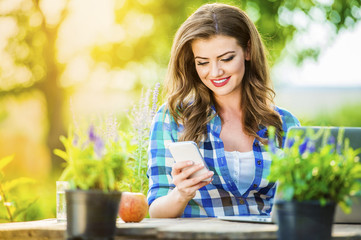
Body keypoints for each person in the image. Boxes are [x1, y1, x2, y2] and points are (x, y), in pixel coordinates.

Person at [146, 3, 300, 218]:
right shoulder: (173, 117)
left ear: (248, 50)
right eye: (203, 62)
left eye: (226, 58)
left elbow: (303, 202)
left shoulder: (284, 123)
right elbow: (156, 211)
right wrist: (181, 194)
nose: (215, 72)